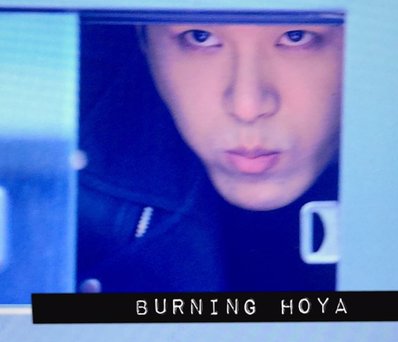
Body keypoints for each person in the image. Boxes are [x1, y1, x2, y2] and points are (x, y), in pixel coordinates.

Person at [77, 20, 344, 292]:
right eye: (200, 37)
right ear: (142, 36)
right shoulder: (66, 192)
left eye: (296, 36)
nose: (246, 106)